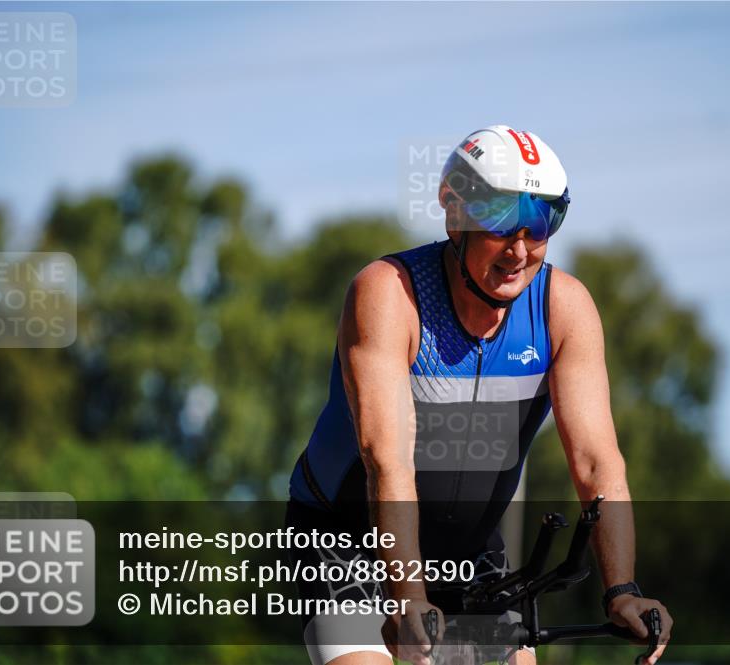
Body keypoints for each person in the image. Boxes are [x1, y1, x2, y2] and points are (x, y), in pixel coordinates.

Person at [286, 125, 673, 665]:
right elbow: (387, 462)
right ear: (455, 216)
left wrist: (622, 590)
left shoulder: (564, 309)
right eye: (500, 223)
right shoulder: (389, 293)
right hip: (349, 539)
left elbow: (596, 465)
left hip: (468, 551)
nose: (519, 249)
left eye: (540, 224)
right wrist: (410, 598)